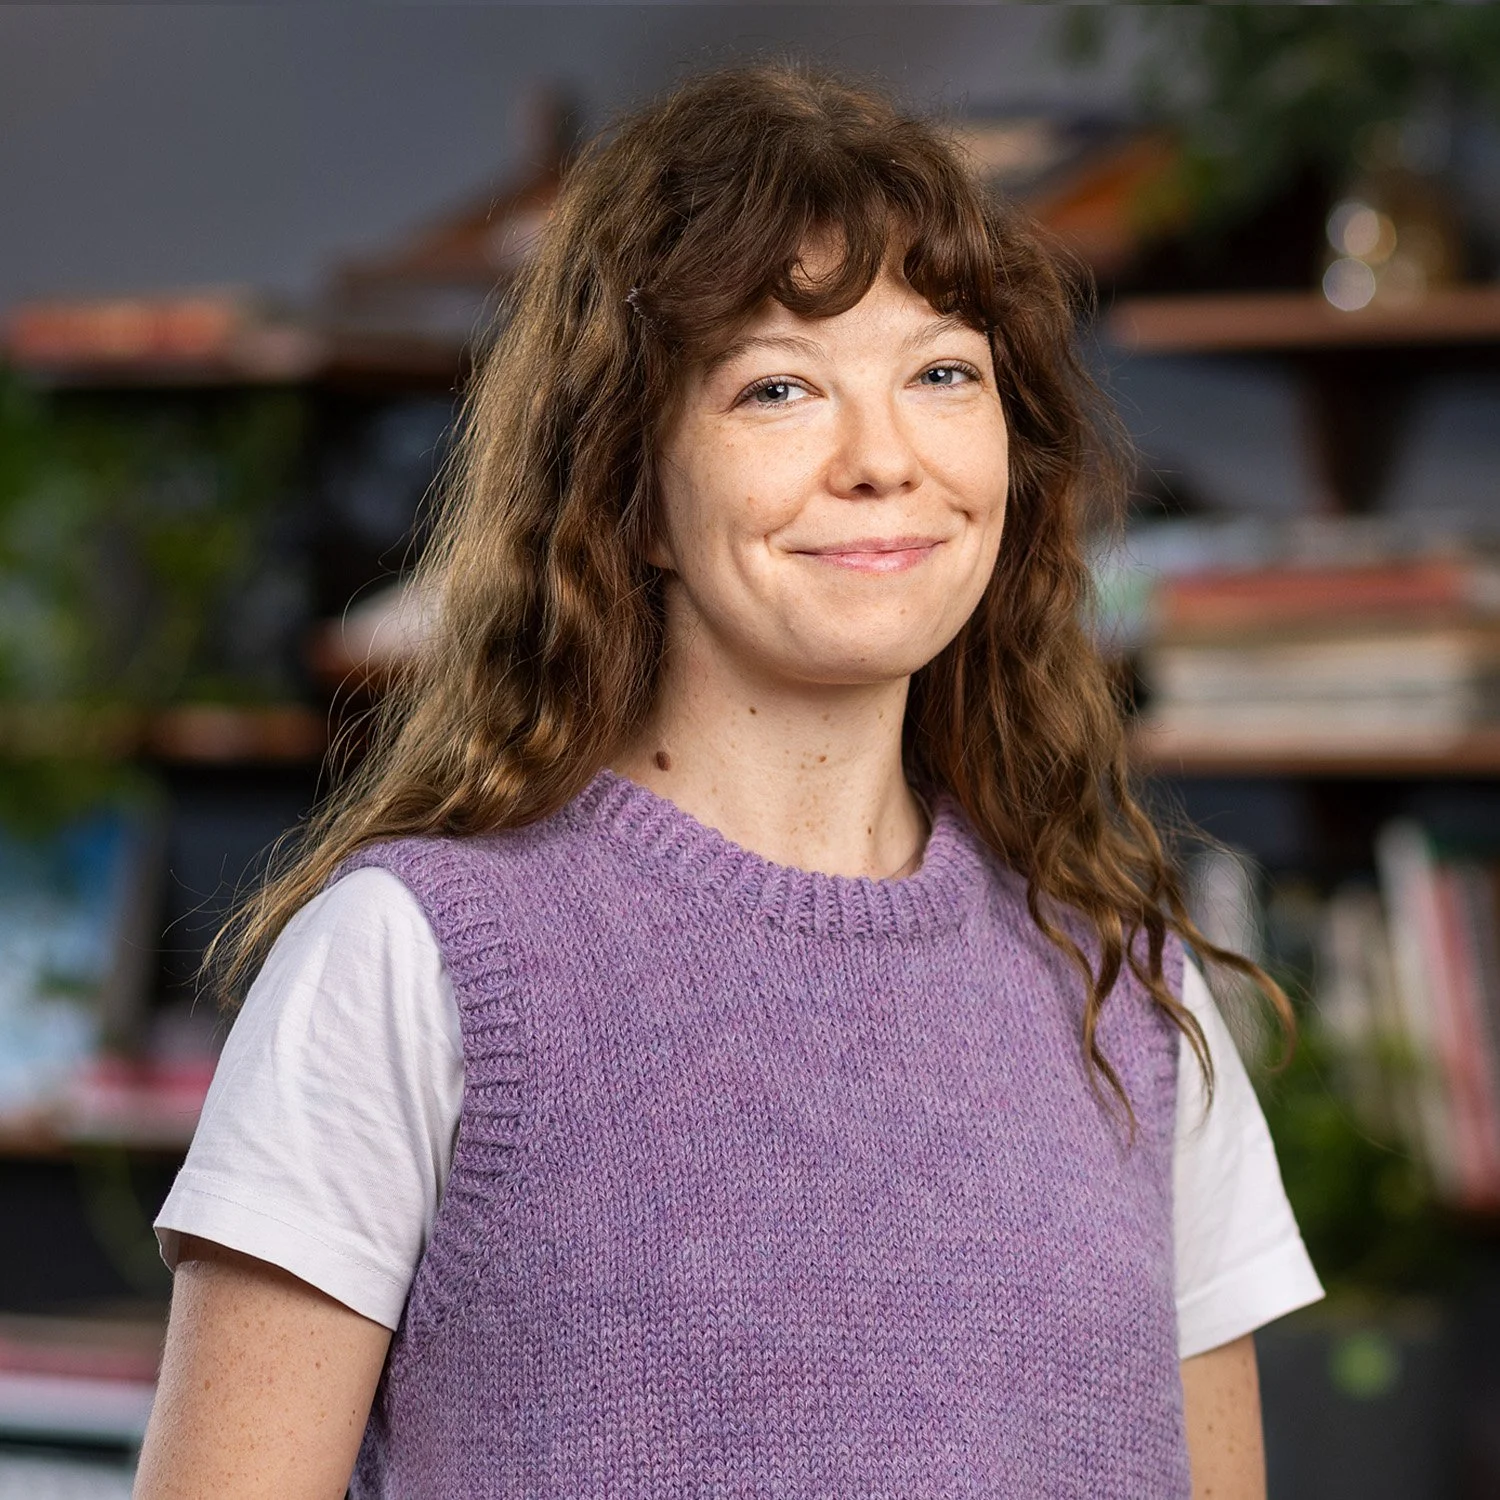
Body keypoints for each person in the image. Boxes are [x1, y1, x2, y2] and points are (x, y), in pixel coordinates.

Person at [134, 64, 1323, 1500]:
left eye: (944, 372)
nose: (885, 459)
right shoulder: (409, 961)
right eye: (779, 387)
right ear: (629, 487)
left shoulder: (1129, 996)